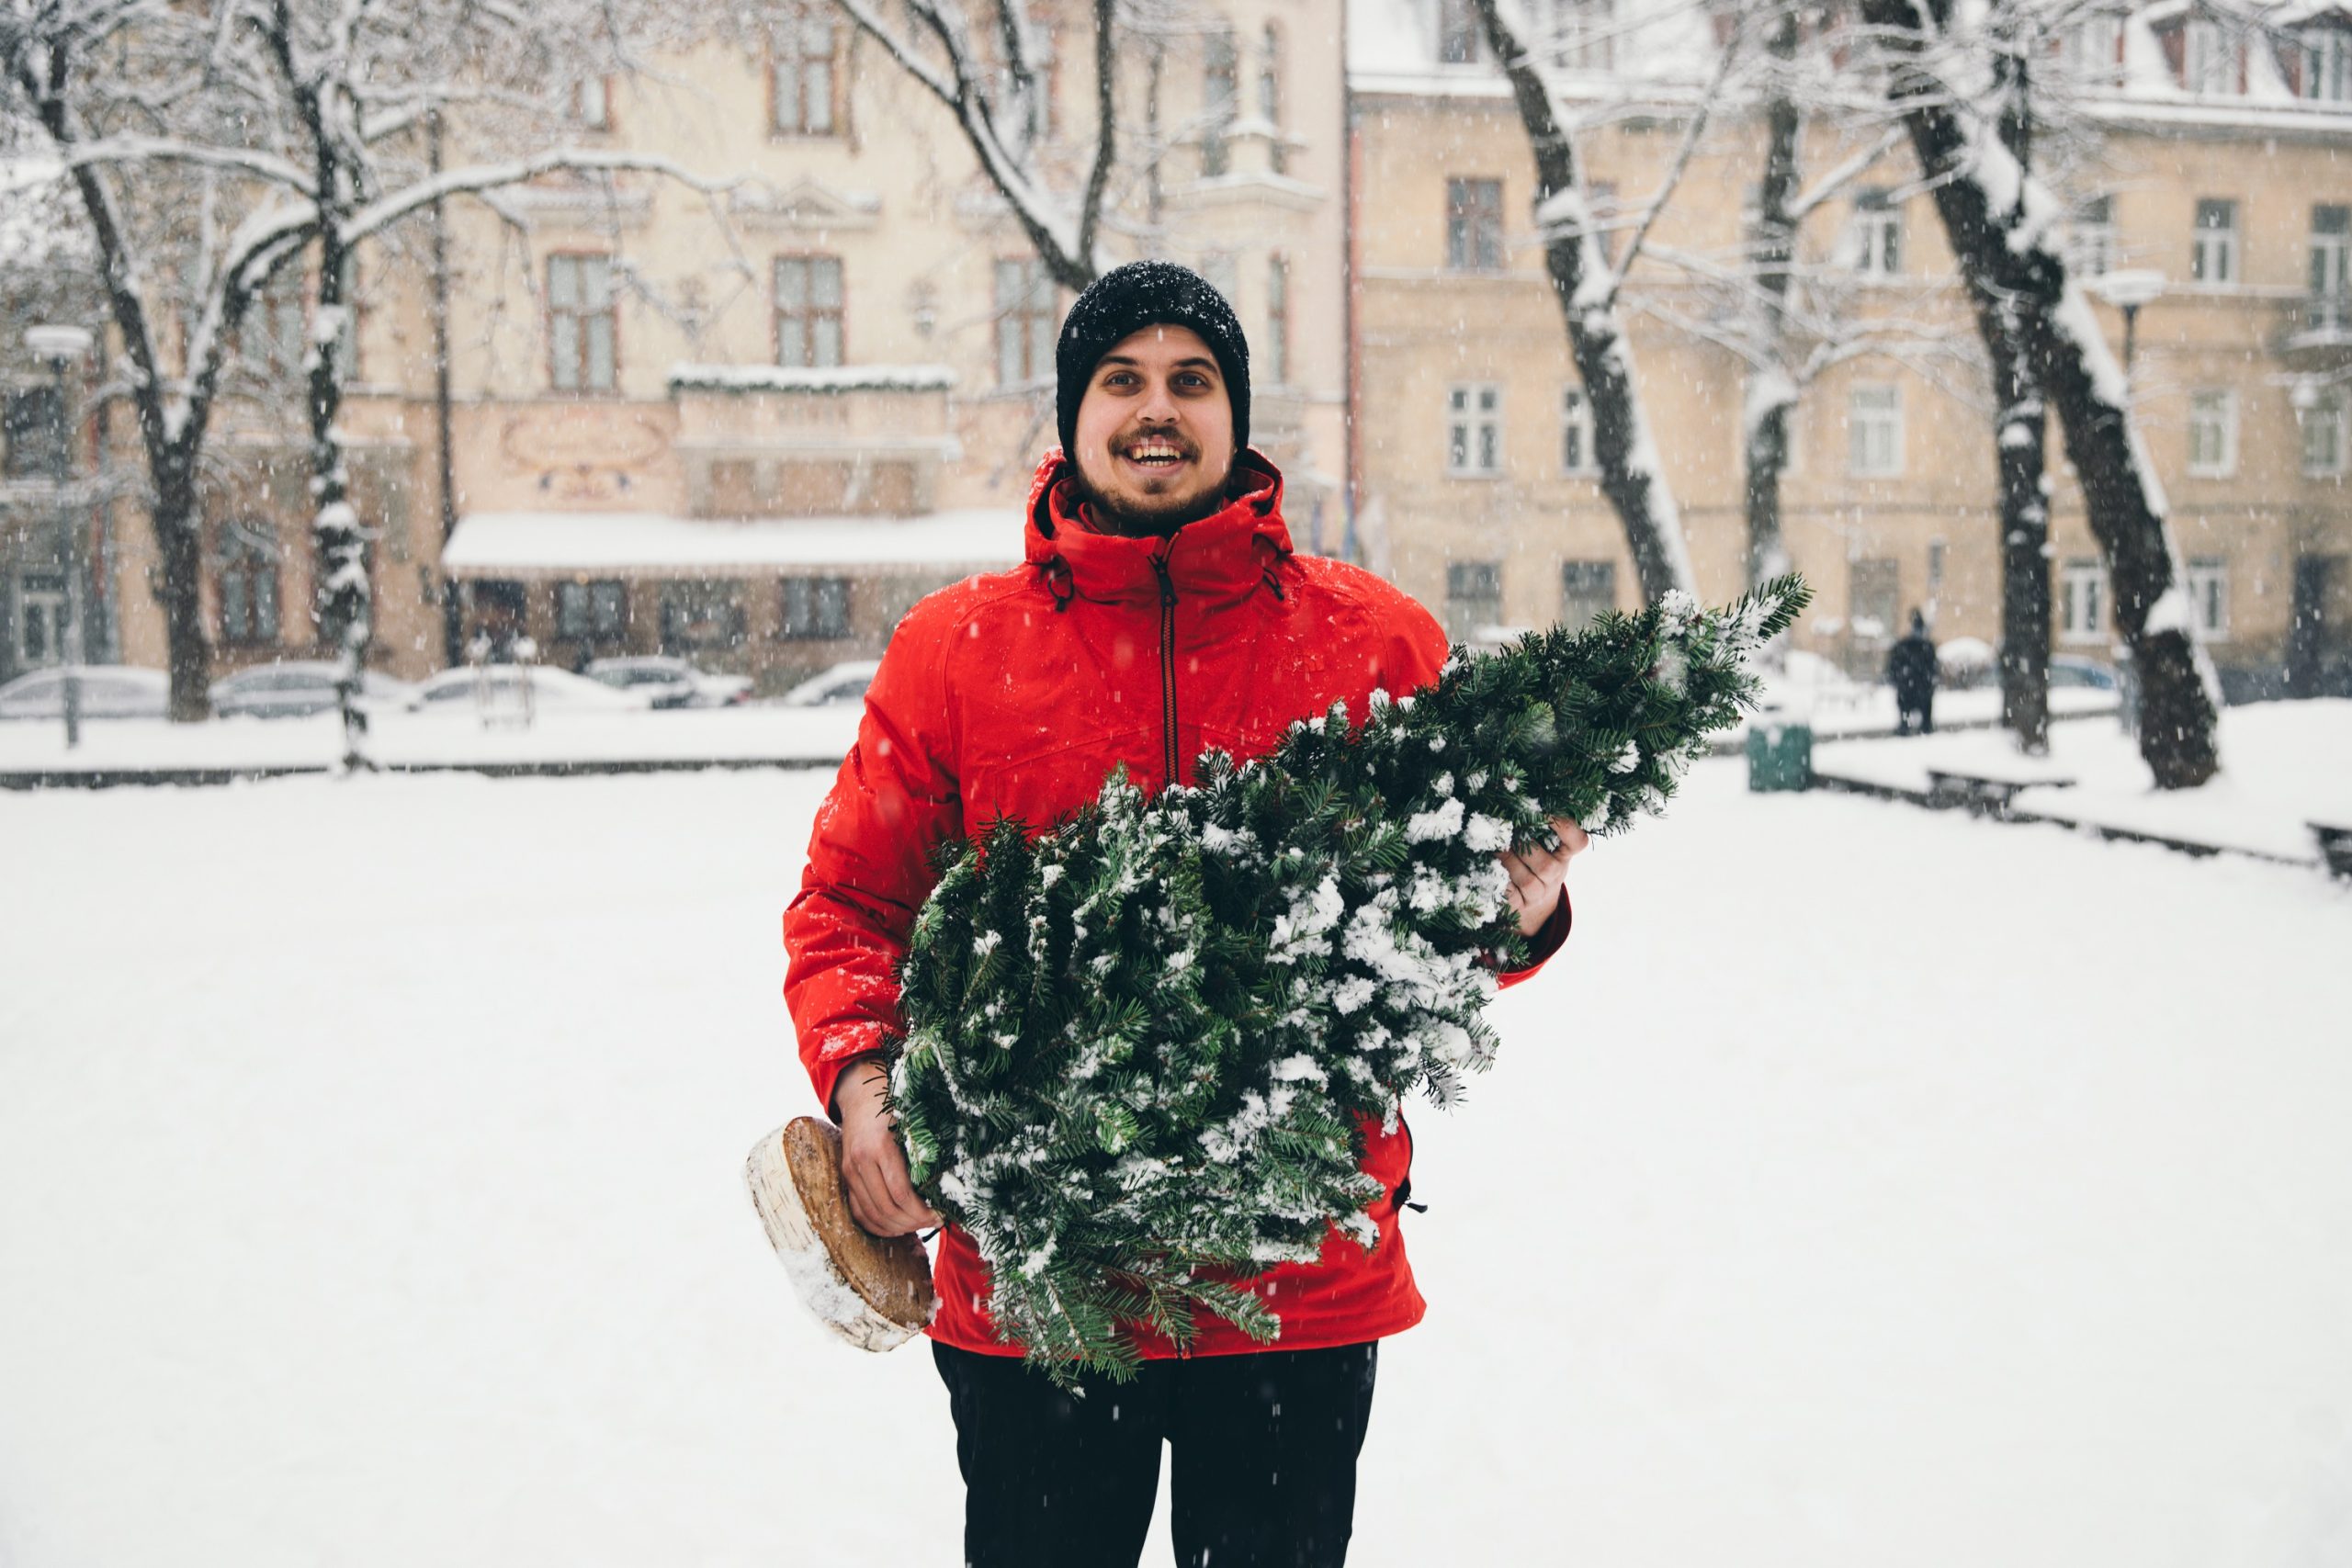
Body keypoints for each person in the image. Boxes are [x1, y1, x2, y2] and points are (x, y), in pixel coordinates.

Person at [782, 260, 1585, 1568]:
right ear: (1074, 413)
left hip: (1294, 1284)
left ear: (1236, 412)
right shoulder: (953, 652)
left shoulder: (1375, 642)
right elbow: (850, 903)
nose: (1158, 410)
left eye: (1191, 380)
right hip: (1038, 1287)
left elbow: (1424, 942)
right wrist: (864, 1074)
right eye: (1125, 380)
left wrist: (1515, 911)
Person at [1888, 607, 1938, 736]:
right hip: (1918, 686)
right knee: (1923, 710)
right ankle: (1921, 726)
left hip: (1909, 685)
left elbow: (1894, 665)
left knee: (1907, 708)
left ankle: (1907, 725)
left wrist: (1898, 677)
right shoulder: (1925, 646)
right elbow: (1933, 667)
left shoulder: (1904, 646)